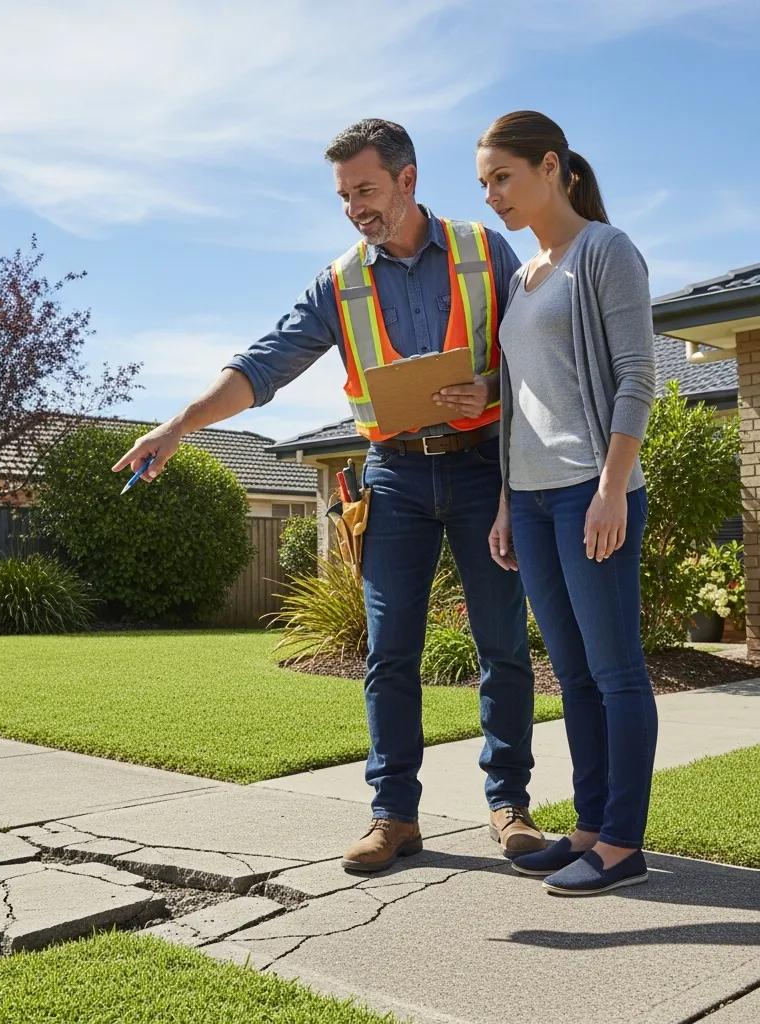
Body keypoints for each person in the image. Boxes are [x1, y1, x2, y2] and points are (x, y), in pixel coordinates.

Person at [114, 118, 546, 872]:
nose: (355, 208)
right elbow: (264, 364)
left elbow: (540, 352)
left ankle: (509, 805)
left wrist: (490, 385)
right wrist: (180, 424)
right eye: (344, 196)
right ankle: (393, 816)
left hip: (483, 466)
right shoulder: (340, 281)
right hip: (395, 476)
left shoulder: (484, 250)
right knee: (388, 653)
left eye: (367, 190)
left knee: (502, 645)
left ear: (408, 181)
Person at [477, 110, 657, 895]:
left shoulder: (606, 253)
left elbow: (636, 380)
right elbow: (522, 398)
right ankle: (588, 827)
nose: (492, 196)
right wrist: (508, 502)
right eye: (483, 183)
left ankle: (623, 844)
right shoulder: (524, 275)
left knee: (616, 671)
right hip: (538, 499)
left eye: (502, 177)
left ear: (553, 167)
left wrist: (613, 488)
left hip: (593, 489)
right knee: (574, 674)